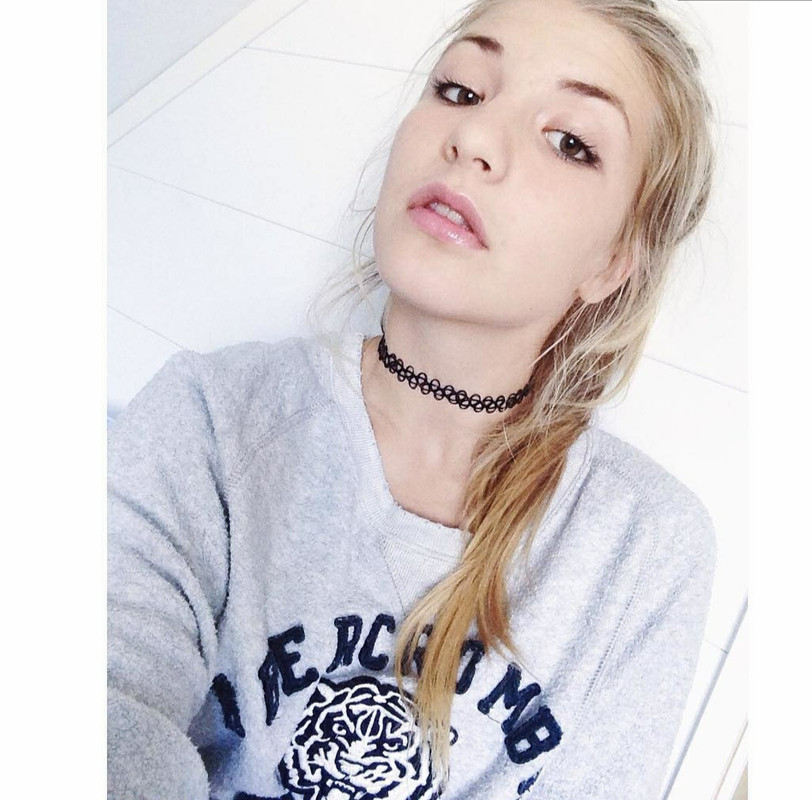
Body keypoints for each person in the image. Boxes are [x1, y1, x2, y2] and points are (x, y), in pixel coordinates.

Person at [107, 0, 718, 798]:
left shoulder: (644, 547)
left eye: (569, 141)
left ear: (612, 261)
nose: (473, 137)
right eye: (460, 90)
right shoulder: (211, 418)